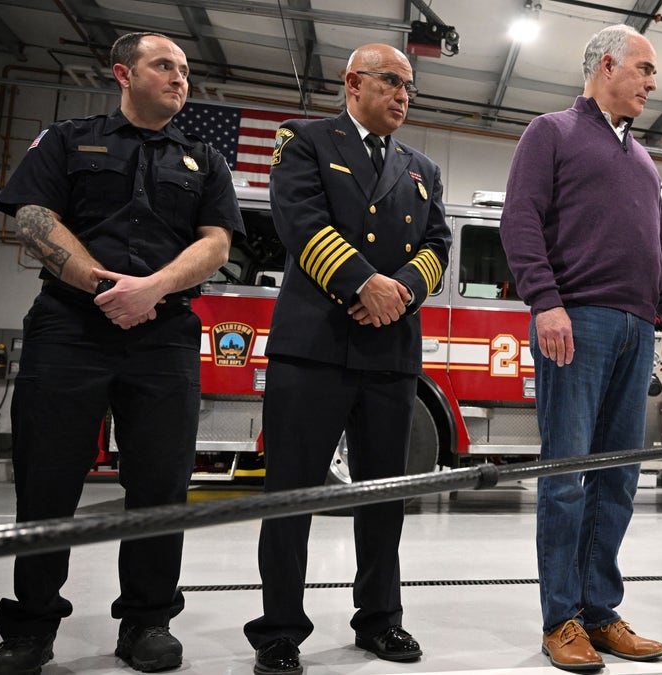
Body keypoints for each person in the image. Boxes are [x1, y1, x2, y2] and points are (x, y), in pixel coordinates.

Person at [0, 31, 242, 673]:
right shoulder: (68, 139)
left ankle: (148, 622)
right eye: (164, 66)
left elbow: (217, 243)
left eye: (185, 70)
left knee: (160, 485)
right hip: (70, 326)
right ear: (123, 73)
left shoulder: (204, 160)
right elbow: (30, 217)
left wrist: (152, 288)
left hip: (164, 334)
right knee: (47, 479)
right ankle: (30, 627)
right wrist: (105, 287)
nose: (179, 78)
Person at [241, 43, 450, 675]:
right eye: (393, 82)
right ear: (353, 81)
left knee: (384, 497)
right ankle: (279, 631)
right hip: (316, 347)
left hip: (389, 352)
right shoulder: (304, 140)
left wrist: (403, 291)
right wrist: (365, 283)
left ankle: (380, 620)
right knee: (291, 498)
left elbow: (438, 245)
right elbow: (299, 222)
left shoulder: (422, 168)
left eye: (410, 87)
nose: (404, 95)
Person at [500, 23, 662, 673]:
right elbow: (519, 218)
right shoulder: (550, 132)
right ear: (607, 65)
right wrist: (545, 300)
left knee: (619, 478)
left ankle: (600, 611)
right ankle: (562, 618)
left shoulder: (643, 160)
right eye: (643, 69)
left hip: (637, 330)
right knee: (566, 476)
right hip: (575, 321)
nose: (651, 82)